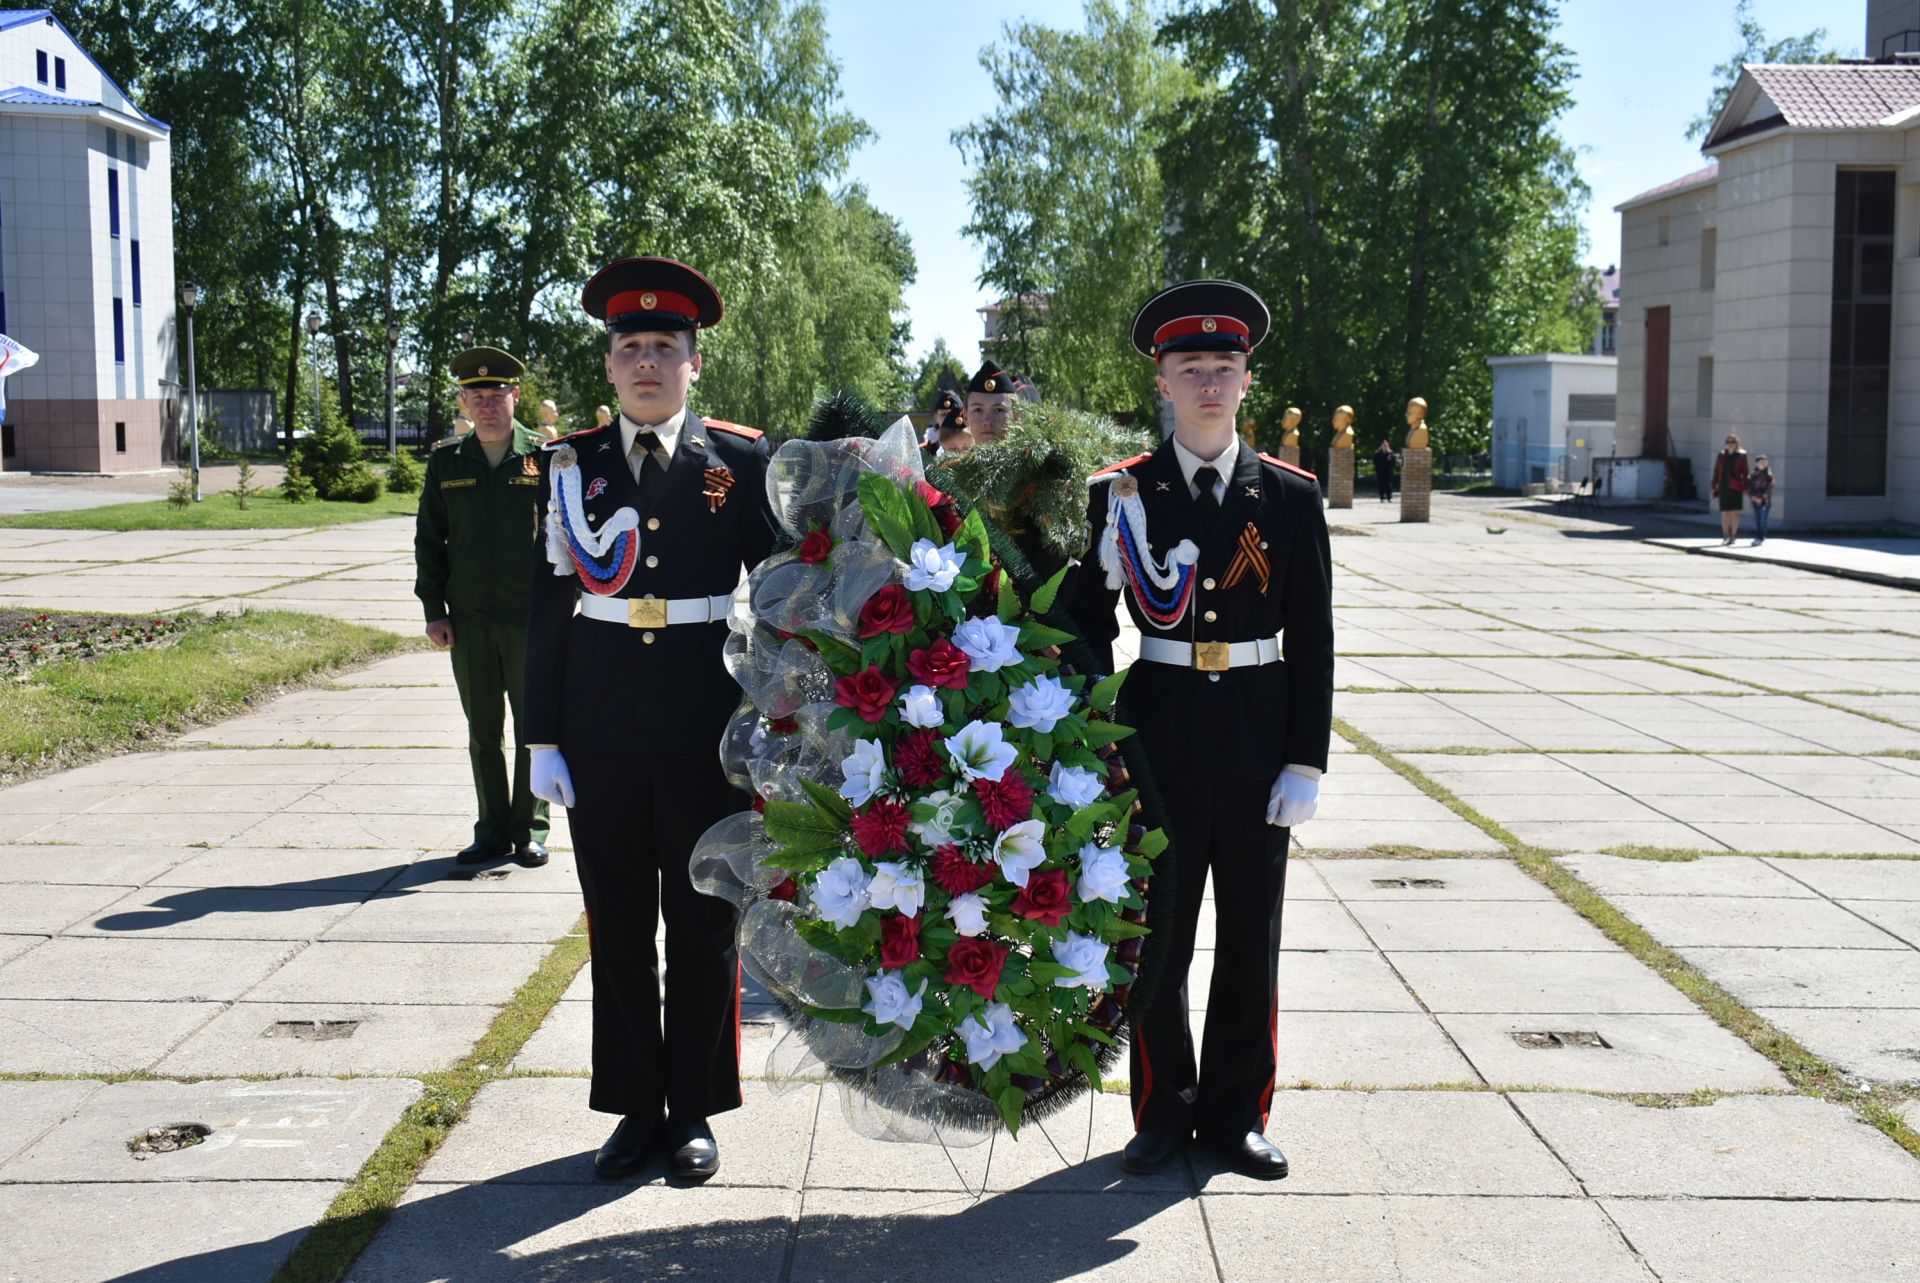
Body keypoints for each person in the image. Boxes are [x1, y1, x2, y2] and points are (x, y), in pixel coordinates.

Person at [1070, 279, 1334, 1180]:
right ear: (1163, 384)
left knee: (1250, 935)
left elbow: (1315, 637)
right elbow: (1084, 623)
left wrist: (1307, 759)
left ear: (1248, 379)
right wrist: (1075, 739)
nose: (1210, 384)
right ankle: (1161, 1109)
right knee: (1159, 935)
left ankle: (1235, 1112)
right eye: (1192, 369)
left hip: (1261, 734)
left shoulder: (1290, 498)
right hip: (1160, 731)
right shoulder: (1122, 495)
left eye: (1225, 367)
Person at [523, 257, 779, 1182]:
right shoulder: (570, 467)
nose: (645, 363)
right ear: (607, 366)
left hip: (707, 721)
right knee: (620, 921)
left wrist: (787, 715)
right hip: (598, 724)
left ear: (692, 364)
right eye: (628, 347)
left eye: (663, 347)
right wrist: (541, 736)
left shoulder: (740, 462)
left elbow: (783, 590)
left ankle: (696, 1106)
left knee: (705, 915)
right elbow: (549, 603)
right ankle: (634, 1106)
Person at [412, 347, 552, 868]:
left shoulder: (546, 457)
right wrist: (434, 609)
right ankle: (491, 830)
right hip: (468, 619)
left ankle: (530, 828)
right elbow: (430, 539)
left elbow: (567, 537)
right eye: (477, 397)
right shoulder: (448, 462)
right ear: (464, 402)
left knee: (532, 729)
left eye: (497, 395)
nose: (488, 405)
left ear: (516, 396)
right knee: (483, 731)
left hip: (530, 618)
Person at [965, 358, 1030, 446]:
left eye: (999, 410)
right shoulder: (951, 460)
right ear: (965, 417)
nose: (987, 421)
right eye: (978, 410)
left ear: (1016, 416)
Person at [1711, 432, 1749, 545]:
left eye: (1733, 442)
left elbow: (1746, 472)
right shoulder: (1721, 455)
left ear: (1737, 443)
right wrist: (1714, 485)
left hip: (1736, 486)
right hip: (1724, 486)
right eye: (1728, 442)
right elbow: (1716, 471)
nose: (1730, 444)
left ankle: (1733, 536)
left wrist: (1746, 486)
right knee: (1725, 512)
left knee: (1735, 512)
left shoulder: (1742, 455)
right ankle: (1725, 536)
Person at [1748, 454, 1774, 545]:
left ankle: (1760, 537)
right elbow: (1749, 488)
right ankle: (1759, 536)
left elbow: (1769, 488)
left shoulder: (1769, 475)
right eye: (1760, 462)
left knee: (1763, 520)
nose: (1763, 464)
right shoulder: (1753, 475)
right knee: (1757, 520)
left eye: (1764, 462)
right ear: (1757, 464)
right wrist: (1753, 497)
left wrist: (1762, 497)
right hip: (1755, 501)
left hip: (1765, 502)